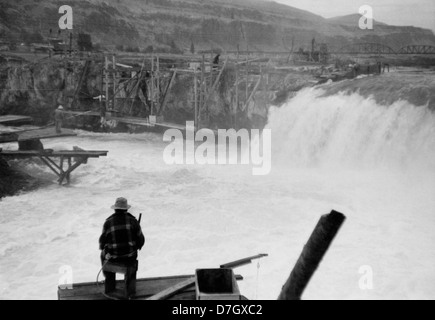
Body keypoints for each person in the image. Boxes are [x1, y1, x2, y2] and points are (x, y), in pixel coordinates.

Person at [99, 197, 145, 296]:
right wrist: (135, 245)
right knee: (133, 255)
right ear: (126, 209)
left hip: (113, 258)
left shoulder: (108, 222)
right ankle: (129, 287)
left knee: (102, 255)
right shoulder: (133, 221)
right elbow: (141, 241)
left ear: (115, 209)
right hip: (130, 257)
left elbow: (102, 243)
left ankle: (109, 280)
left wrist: (107, 249)